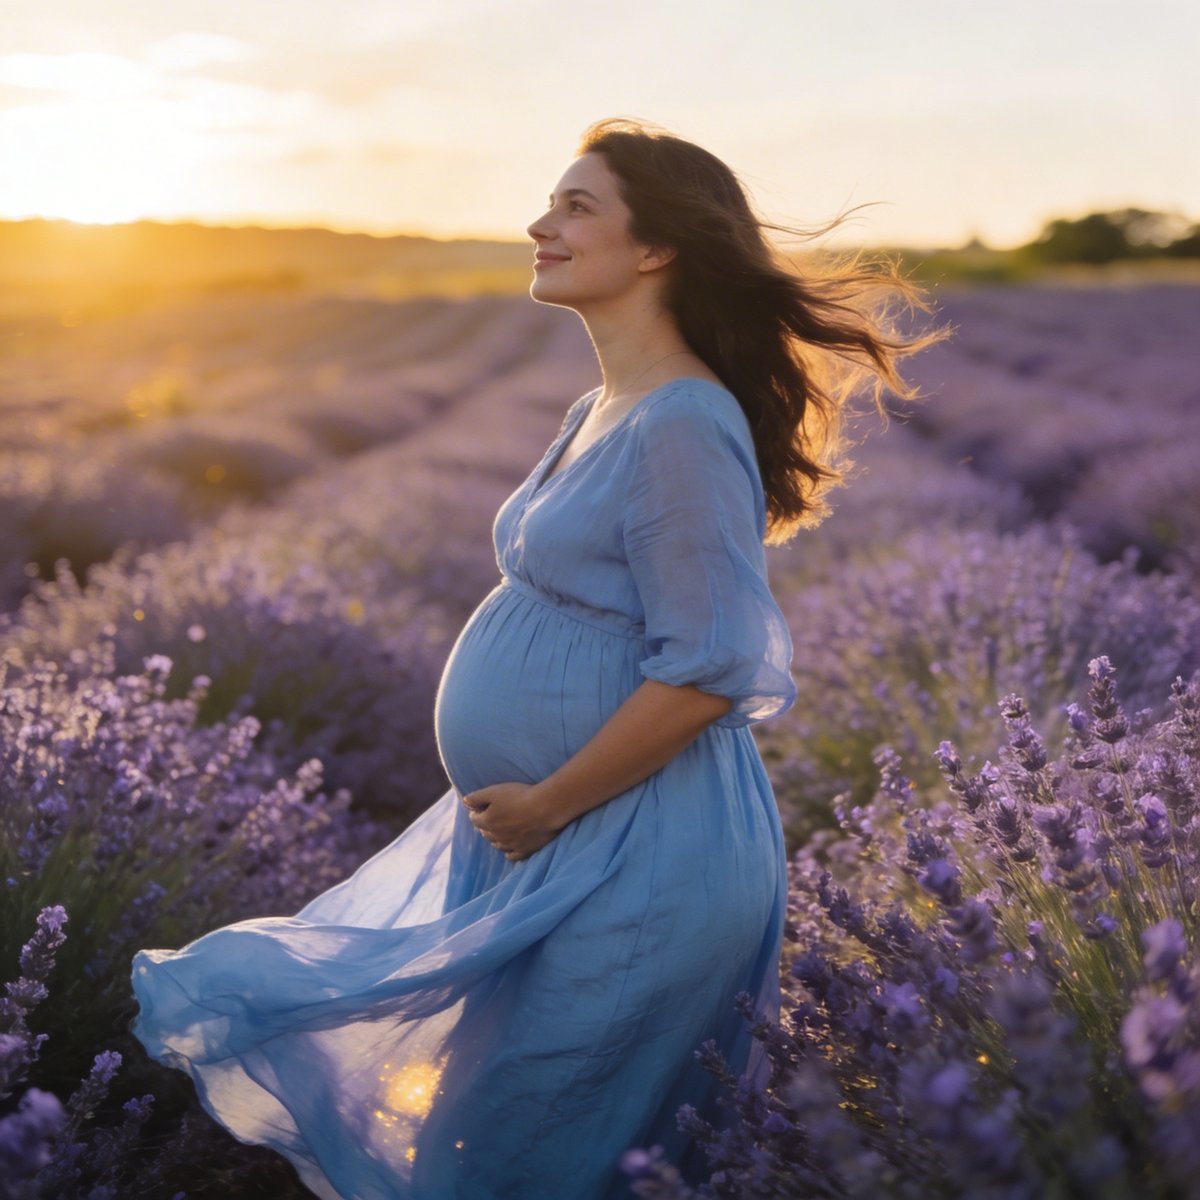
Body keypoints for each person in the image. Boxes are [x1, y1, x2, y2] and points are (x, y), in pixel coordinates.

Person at [129, 117, 944, 1199]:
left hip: (632, 855)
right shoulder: (603, 407)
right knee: (499, 1144)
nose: (538, 223)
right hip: (548, 846)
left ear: (654, 248)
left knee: (518, 1153)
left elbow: (710, 666)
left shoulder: (686, 423)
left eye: (575, 207)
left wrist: (551, 801)